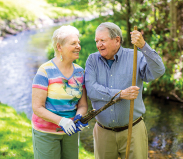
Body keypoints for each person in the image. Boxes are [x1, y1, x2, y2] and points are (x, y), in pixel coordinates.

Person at [85, 22, 165, 159]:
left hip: (133, 131)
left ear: (117, 40)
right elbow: (91, 90)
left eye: (102, 40)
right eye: (97, 41)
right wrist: (120, 94)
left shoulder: (136, 56)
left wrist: (143, 46)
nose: (98, 45)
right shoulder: (92, 60)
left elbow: (158, 71)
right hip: (103, 132)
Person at [31, 25, 88, 159]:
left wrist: (78, 116)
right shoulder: (45, 71)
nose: (78, 46)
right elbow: (37, 107)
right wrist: (61, 121)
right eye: (73, 43)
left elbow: (83, 105)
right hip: (46, 133)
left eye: (78, 43)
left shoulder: (80, 72)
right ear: (59, 47)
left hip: (71, 132)